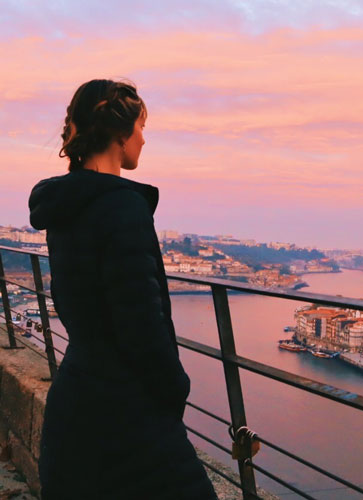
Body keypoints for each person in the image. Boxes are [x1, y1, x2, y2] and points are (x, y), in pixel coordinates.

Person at [29, 79, 218, 499]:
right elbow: (141, 321)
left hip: (76, 401)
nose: (144, 139)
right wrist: (175, 388)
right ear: (120, 133)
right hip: (127, 411)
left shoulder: (65, 206)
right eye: (141, 127)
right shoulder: (121, 206)